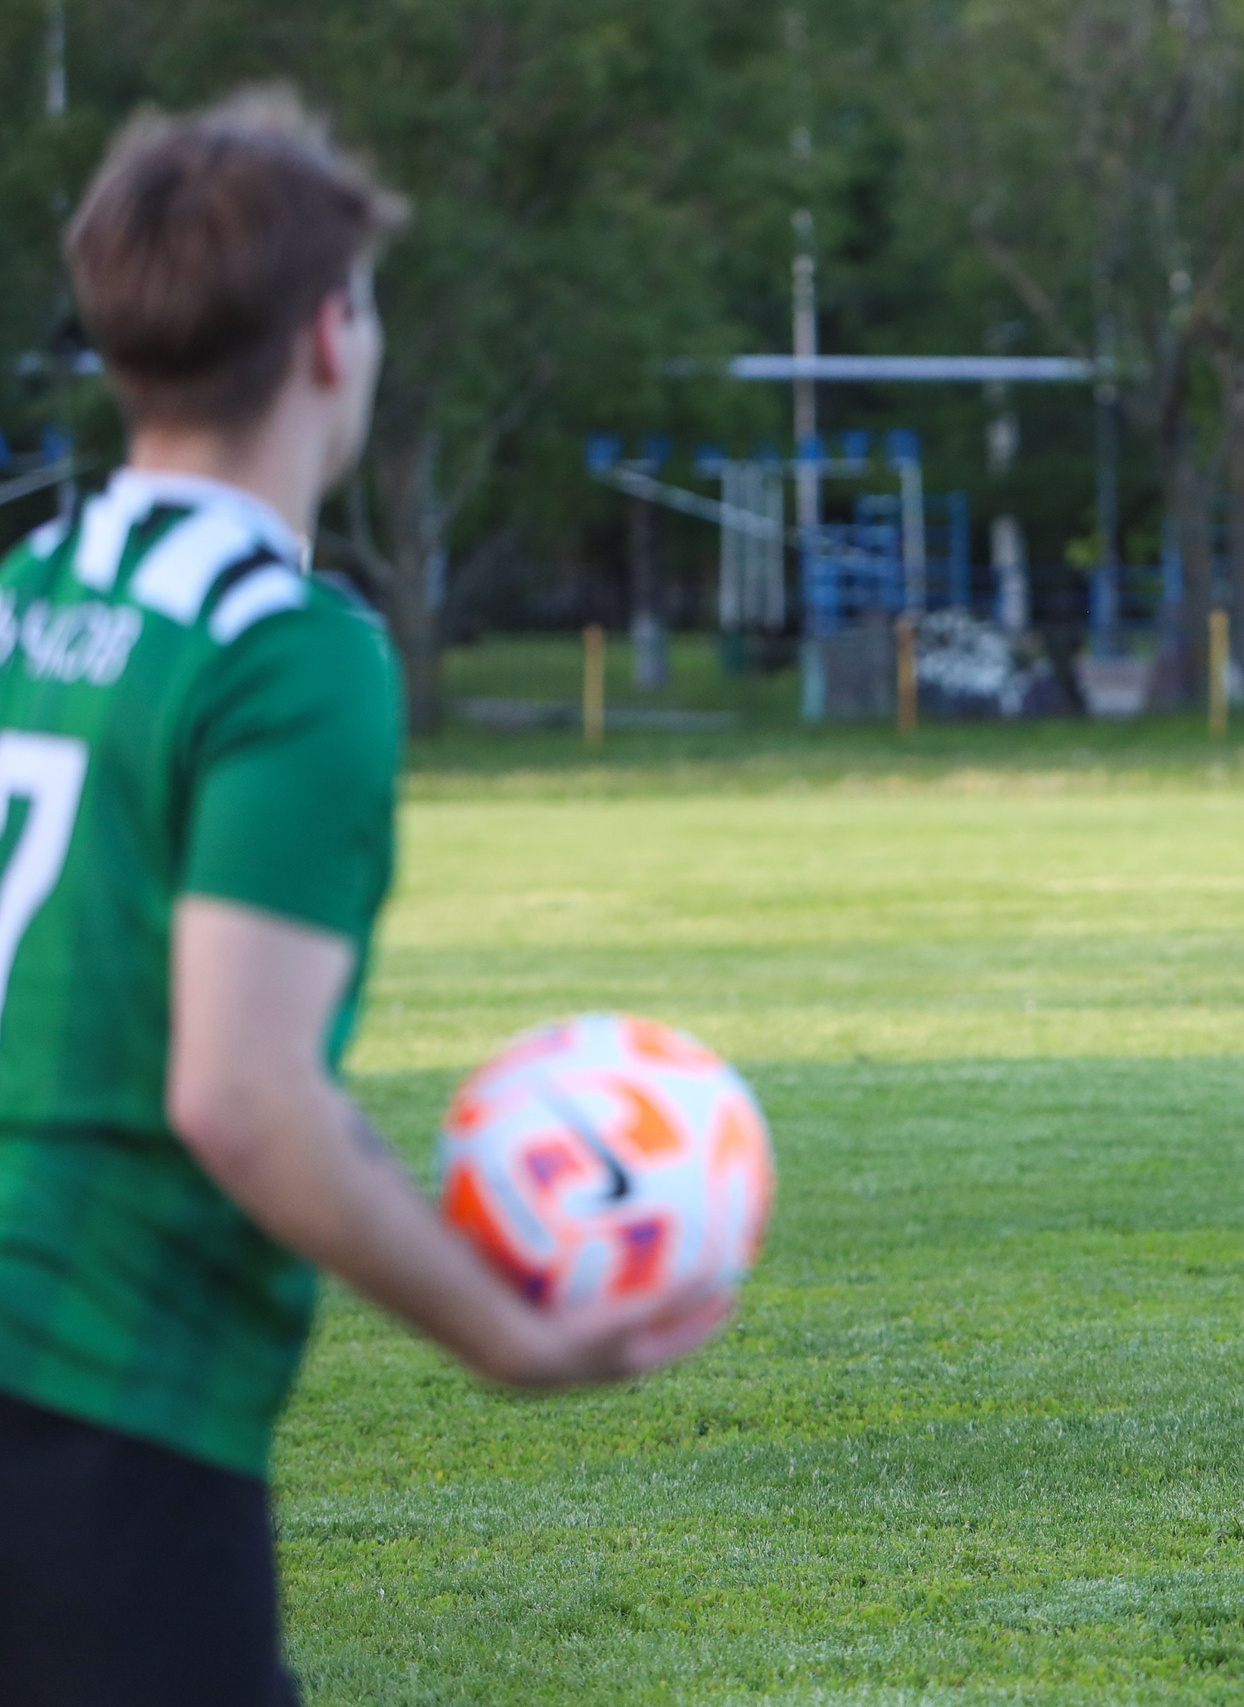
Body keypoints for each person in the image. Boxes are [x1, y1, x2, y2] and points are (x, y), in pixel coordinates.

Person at [0, 94, 726, 1707]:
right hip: (97, 1391)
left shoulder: (27, 593)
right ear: (334, 332)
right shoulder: (284, 646)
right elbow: (244, 1097)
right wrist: (508, 1331)